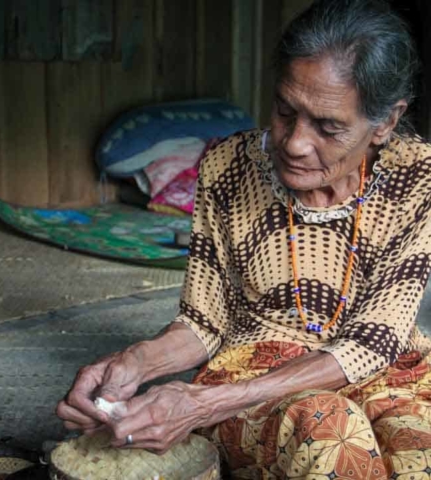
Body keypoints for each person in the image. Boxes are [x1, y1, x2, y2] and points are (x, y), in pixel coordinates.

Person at [57, 0, 431, 477]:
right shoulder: (227, 169)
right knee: (331, 433)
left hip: (388, 372)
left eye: (328, 126)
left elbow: (373, 341)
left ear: (385, 123)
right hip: (253, 374)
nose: (295, 142)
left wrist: (201, 404)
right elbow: (203, 323)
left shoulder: (417, 178)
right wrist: (136, 362)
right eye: (284, 110)